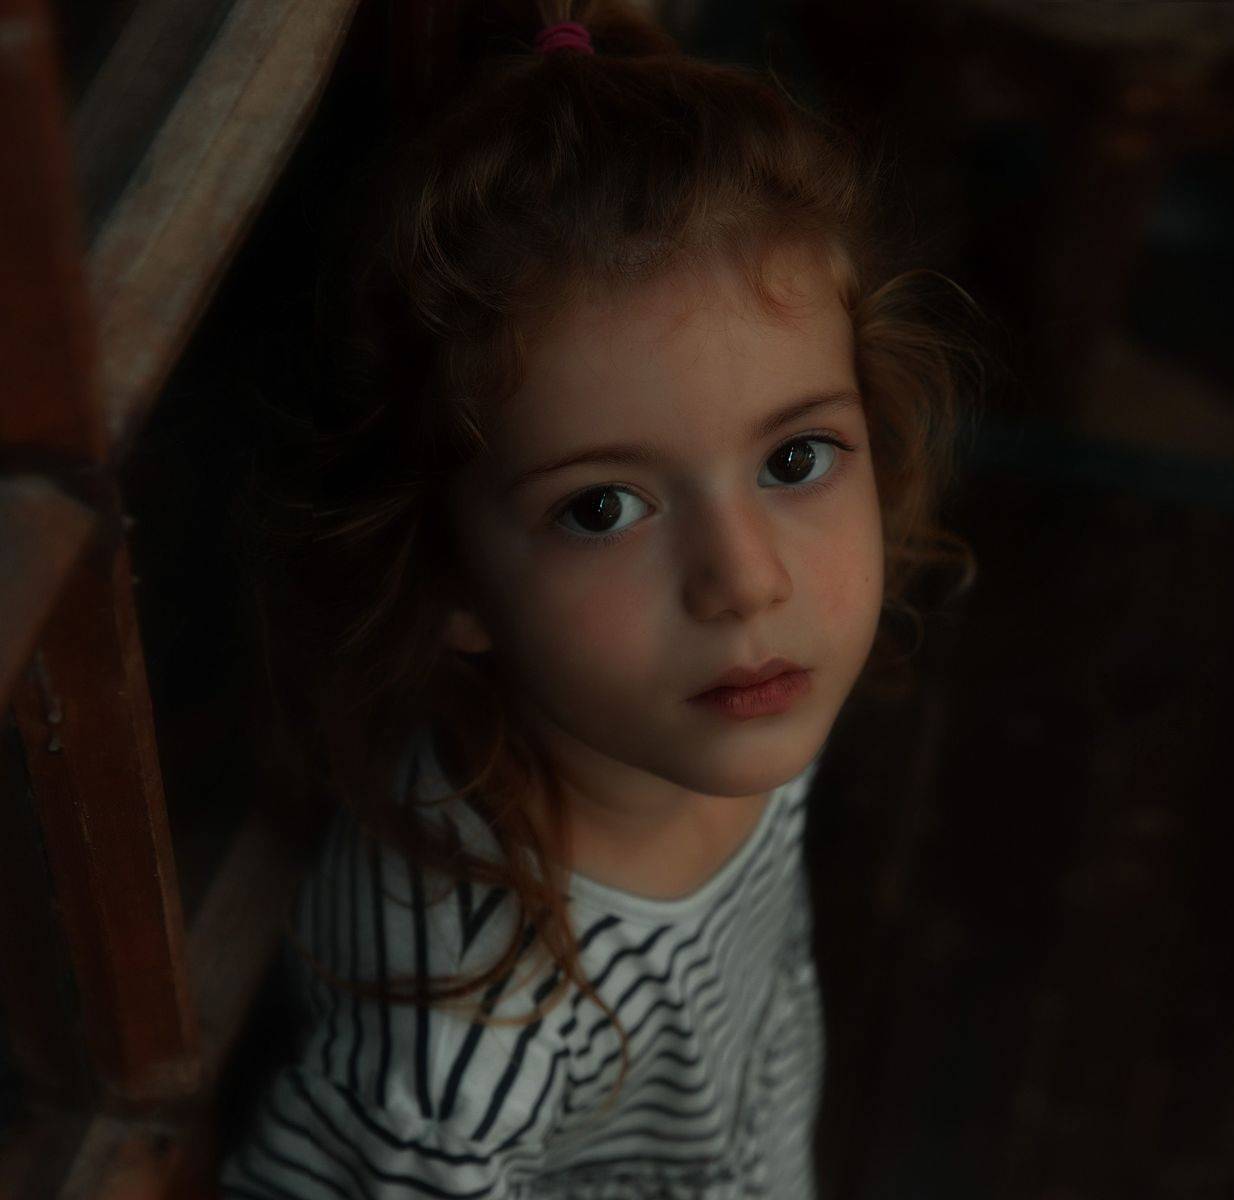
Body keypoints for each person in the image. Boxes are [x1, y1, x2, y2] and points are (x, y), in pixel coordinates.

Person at [217, 1, 980, 1195]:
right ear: (450, 576)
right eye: (603, 509)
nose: (746, 580)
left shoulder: (732, 706)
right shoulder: (470, 1056)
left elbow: (756, 1028)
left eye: (794, 460)